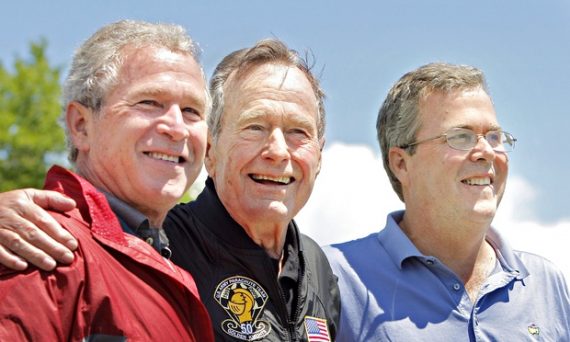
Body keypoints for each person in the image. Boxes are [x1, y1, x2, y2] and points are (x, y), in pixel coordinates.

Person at [0, 38, 340, 341]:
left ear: (320, 153)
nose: (278, 151)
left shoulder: (318, 267)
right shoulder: (50, 245)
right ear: (211, 149)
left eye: (298, 131)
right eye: (254, 126)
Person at [323, 63, 570, 341]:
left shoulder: (545, 284)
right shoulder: (333, 276)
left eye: (494, 137)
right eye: (461, 137)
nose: (486, 152)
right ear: (401, 164)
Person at [0, 20, 214, 341]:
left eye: (192, 111)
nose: (177, 127)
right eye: (149, 102)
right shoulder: (41, 249)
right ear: (81, 126)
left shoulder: (176, 260)